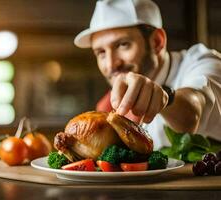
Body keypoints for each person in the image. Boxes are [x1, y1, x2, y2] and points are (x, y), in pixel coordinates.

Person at [74, 0, 221, 150]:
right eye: (101, 53)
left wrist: (165, 96)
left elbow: (194, 111)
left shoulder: (203, 62)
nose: (111, 64)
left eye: (123, 44)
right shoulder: (107, 106)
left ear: (157, 42)